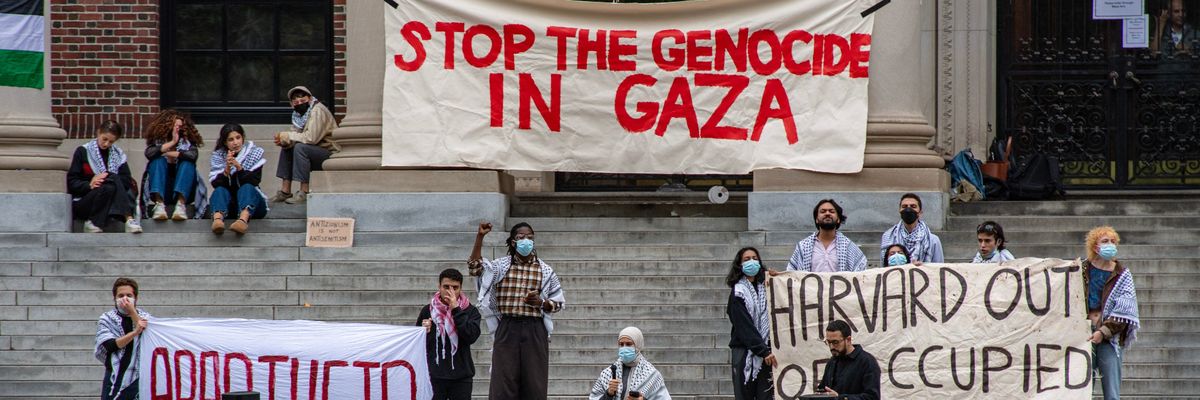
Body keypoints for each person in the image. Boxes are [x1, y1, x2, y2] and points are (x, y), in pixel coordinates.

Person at [468, 221, 565, 400]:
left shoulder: (545, 270)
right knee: (502, 384)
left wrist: (541, 303)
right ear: (513, 242)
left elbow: (559, 303)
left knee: (535, 384)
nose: (526, 241)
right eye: (521, 238)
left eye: (530, 237)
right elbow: (475, 268)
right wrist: (480, 236)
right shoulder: (500, 267)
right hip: (508, 328)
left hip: (535, 330)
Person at [1082, 226, 1140, 400]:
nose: (1110, 245)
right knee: (1082, 390)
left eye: (1113, 241)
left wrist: (1103, 331)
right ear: (1095, 246)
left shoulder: (1122, 274)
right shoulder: (1081, 270)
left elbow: (1124, 310)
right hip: (1082, 335)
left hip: (1109, 338)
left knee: (1112, 392)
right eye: (1105, 241)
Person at [417, 268, 482, 400]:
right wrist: (424, 332)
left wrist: (456, 310)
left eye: (455, 288)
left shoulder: (470, 311)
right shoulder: (428, 310)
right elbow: (418, 345)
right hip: (434, 376)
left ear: (461, 288)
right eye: (446, 287)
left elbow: (471, 336)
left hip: (461, 376)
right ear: (439, 287)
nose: (450, 291)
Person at [67, 120, 141, 233]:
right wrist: (89, 184)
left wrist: (107, 177)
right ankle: (129, 218)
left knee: (111, 184)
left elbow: (126, 181)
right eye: (104, 139)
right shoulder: (83, 151)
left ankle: (93, 222)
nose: (106, 144)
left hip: (111, 200)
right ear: (98, 133)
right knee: (112, 179)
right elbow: (72, 182)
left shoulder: (118, 155)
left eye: (111, 142)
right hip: (85, 201)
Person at [269, 86, 339, 205]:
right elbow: (295, 135)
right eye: (296, 102)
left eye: (303, 100)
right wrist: (285, 141)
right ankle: (285, 191)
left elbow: (312, 138)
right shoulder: (298, 116)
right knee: (288, 146)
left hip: (329, 153)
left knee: (301, 147)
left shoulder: (317, 111)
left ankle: (304, 192)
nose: (300, 103)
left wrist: (289, 136)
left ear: (310, 99)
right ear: (292, 104)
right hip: (314, 151)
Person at [725, 247, 775, 400]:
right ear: (740, 265)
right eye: (747, 259)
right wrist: (762, 350)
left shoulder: (765, 287)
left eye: (755, 258)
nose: (751, 261)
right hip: (746, 351)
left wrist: (776, 279)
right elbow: (744, 326)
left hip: (767, 352)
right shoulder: (738, 293)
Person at [141, 109, 206, 221]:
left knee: (187, 162)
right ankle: (159, 205)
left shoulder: (187, 144)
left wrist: (172, 153)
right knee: (157, 161)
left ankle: (180, 206)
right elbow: (149, 153)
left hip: (185, 192)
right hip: (162, 191)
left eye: (180, 127)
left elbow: (193, 156)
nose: (177, 129)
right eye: (174, 126)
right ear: (165, 126)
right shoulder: (157, 143)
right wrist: (172, 143)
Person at [95, 277, 150, 400]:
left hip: (137, 377)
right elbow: (110, 345)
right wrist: (134, 333)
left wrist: (132, 313)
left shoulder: (144, 317)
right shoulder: (107, 319)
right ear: (114, 298)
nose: (125, 299)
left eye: (129, 295)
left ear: (136, 298)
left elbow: (147, 335)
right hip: (115, 375)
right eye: (121, 295)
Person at [208, 123, 268, 235]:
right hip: (230, 206)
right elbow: (216, 184)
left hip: (253, 206)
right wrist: (227, 169)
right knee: (219, 190)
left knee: (247, 187)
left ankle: (242, 221)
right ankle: (217, 221)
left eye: (238, 138)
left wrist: (238, 167)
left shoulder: (254, 153)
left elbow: (254, 181)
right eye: (231, 140)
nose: (235, 142)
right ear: (225, 142)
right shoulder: (218, 157)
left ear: (243, 138)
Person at [783, 199, 868, 273]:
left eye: (832, 211)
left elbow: (862, 275)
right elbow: (790, 274)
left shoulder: (849, 247)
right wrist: (776, 278)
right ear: (816, 219)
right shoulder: (803, 247)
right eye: (823, 211)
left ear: (838, 219)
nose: (827, 213)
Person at [588, 327, 671, 400]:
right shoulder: (608, 373)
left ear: (638, 346)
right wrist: (609, 393)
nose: (624, 347)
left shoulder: (652, 375)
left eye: (628, 344)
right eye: (621, 344)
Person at [817, 320, 880, 400]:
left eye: (835, 342)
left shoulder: (867, 362)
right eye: (828, 342)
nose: (831, 347)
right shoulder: (832, 362)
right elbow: (823, 389)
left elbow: (872, 397)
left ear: (848, 340)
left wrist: (841, 398)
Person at [880, 193, 944, 264]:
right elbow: (884, 266)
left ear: (920, 212)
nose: (908, 209)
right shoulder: (888, 237)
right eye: (904, 206)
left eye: (913, 206)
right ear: (900, 211)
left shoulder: (933, 240)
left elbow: (938, 268)